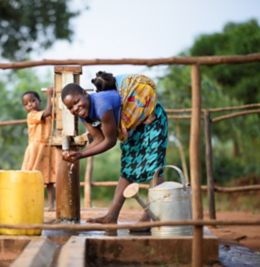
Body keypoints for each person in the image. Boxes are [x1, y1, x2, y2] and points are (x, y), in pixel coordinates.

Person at [61, 71, 168, 224]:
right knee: (127, 170)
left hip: (152, 120)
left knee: (155, 168)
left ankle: (148, 218)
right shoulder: (83, 115)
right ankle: (111, 216)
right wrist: (78, 153)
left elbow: (110, 141)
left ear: (85, 93)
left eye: (77, 102)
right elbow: (99, 139)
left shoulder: (102, 106)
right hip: (133, 128)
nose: (76, 108)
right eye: (70, 107)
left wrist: (81, 155)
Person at [21, 88, 57, 210]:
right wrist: (50, 96)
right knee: (31, 176)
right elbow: (48, 111)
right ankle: (30, 203)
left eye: (32, 100)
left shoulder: (46, 114)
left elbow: (51, 112)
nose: (30, 104)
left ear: (38, 101)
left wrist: (53, 98)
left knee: (49, 179)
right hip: (35, 149)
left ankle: (51, 204)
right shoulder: (32, 116)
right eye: (26, 103)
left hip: (47, 149)